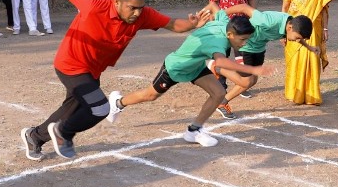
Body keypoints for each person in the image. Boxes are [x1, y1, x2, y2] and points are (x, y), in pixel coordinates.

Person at [19, 0, 210, 161]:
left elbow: (172, 24)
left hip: (91, 70)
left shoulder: (142, 15)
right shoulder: (94, 4)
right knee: (100, 108)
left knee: (72, 109)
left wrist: (191, 24)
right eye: (132, 8)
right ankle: (64, 132)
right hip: (71, 65)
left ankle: (34, 136)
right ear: (117, 1)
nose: (137, 13)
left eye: (140, 8)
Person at [105, 15, 274, 147]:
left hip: (196, 66)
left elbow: (220, 11)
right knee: (150, 95)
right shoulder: (218, 42)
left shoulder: (224, 24)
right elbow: (221, 62)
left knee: (219, 93)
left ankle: (194, 130)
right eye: (242, 40)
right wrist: (253, 69)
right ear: (230, 34)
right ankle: (117, 103)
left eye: (247, 40)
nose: (244, 43)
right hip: (176, 67)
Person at [210, 3, 316, 119]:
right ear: (289, 28)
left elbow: (299, 36)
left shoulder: (292, 25)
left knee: (253, 80)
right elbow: (244, 7)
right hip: (244, 45)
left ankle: (221, 99)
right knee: (246, 82)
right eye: (297, 38)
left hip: (258, 48)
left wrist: (309, 47)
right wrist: (222, 13)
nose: (297, 41)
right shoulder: (268, 21)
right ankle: (219, 75)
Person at [281, 0, 334, 105]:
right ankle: (294, 93)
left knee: (312, 59)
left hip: (313, 29)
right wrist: (283, 30)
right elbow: (285, 7)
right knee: (295, 60)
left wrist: (325, 28)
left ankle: (312, 95)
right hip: (294, 28)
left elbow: (324, 9)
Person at [207, 0, 256, 105]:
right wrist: (220, 16)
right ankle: (221, 88)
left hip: (242, 26)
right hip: (225, 26)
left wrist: (253, 16)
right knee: (222, 57)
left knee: (243, 56)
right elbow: (213, 1)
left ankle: (242, 84)